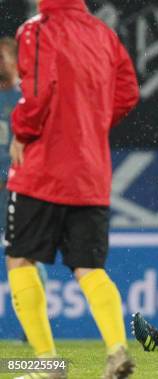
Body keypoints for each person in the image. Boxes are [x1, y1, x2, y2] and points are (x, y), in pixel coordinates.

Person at [5, 0, 139, 378]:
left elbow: (37, 90)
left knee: (20, 258)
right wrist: (89, 121)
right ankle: (116, 349)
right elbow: (128, 92)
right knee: (89, 267)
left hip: (43, 168)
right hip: (90, 171)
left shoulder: (36, 29)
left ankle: (49, 366)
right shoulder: (104, 34)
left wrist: (23, 131)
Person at [0, 35, 49, 343]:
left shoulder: (28, 94)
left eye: (2, 56)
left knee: (26, 256)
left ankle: (34, 332)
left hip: (22, 186)